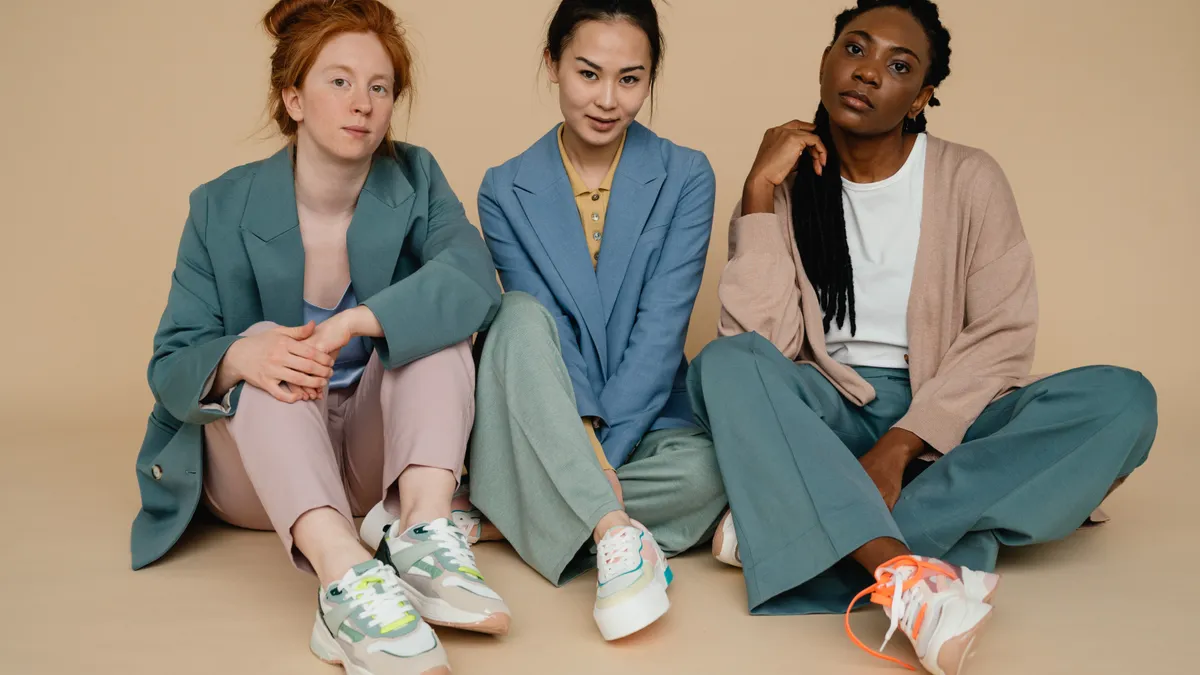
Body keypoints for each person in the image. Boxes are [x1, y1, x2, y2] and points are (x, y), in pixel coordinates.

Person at [685, 0, 1158, 672]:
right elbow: (758, 342)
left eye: (898, 65)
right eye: (855, 49)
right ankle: (907, 575)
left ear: (921, 97)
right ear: (825, 61)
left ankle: (794, 525)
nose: (869, 72)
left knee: (1124, 401)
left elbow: (1002, 335)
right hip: (823, 412)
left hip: (949, 417)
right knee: (725, 364)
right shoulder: (787, 185)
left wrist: (903, 443)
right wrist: (759, 191)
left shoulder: (970, 177)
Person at [128, 2, 510, 673]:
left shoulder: (416, 178)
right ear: (293, 97)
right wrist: (242, 353)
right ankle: (345, 581)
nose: (361, 103)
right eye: (338, 82)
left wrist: (360, 319)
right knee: (273, 346)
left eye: (380, 87)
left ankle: (422, 534)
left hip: (369, 463)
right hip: (259, 471)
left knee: (433, 326)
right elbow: (170, 362)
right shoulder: (219, 205)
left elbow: (473, 279)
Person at [462, 0, 726, 642]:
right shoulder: (503, 187)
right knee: (519, 316)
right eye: (588, 74)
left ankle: (499, 518)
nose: (608, 99)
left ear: (649, 79)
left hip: (648, 415)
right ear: (552, 65)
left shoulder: (687, 174)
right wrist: (581, 447)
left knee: (711, 474)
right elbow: (547, 332)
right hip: (545, 412)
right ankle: (611, 533)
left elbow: (663, 333)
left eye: (630, 79)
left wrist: (596, 465)